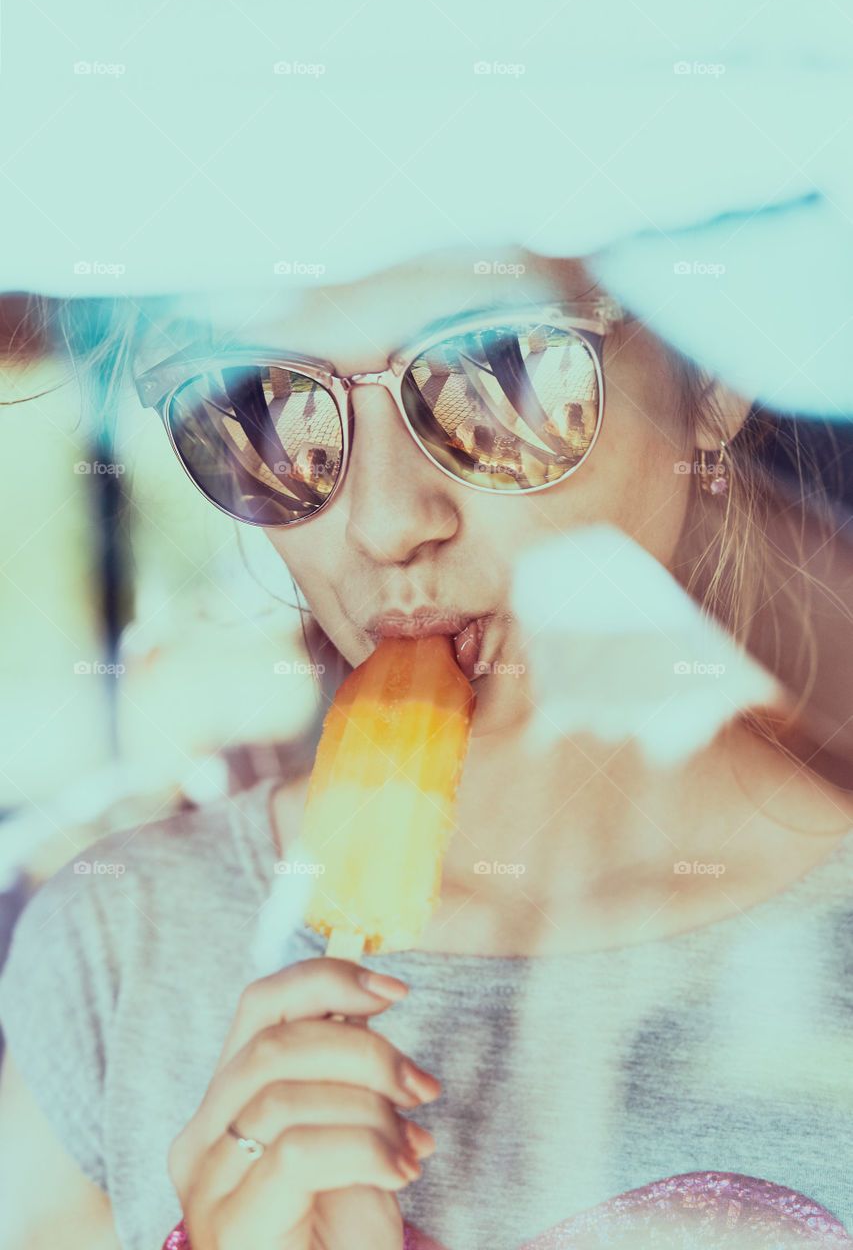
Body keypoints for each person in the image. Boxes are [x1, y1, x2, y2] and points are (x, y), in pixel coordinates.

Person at [1, 245, 853, 1250]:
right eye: (272, 400)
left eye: (497, 368)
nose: (386, 521)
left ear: (711, 374)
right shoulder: (123, 952)